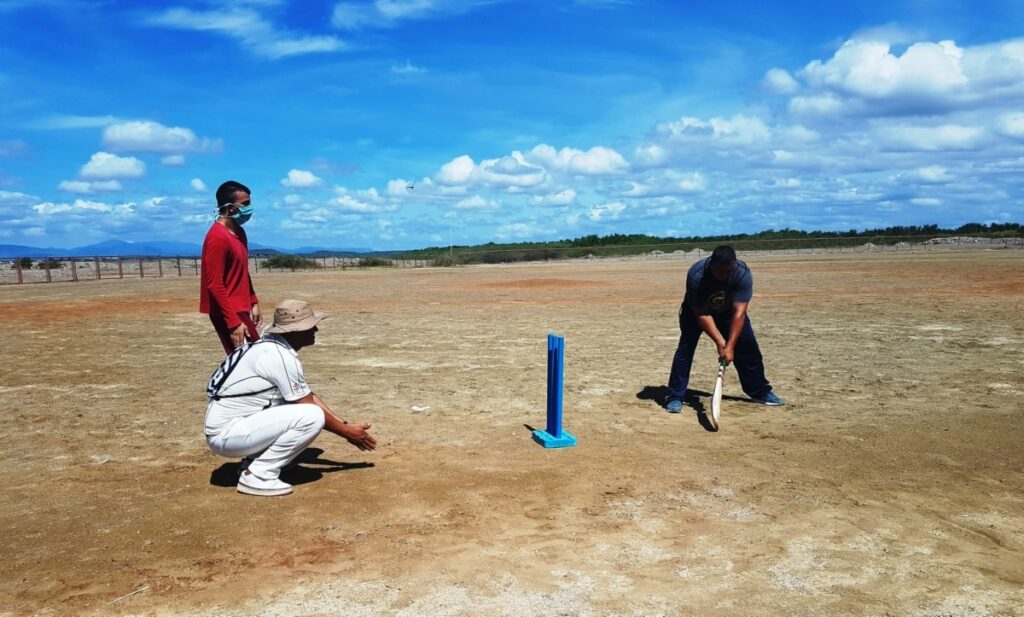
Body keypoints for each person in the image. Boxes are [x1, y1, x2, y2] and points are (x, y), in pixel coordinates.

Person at [204, 299, 377, 496]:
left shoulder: (269, 347)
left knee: (301, 407)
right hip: (228, 435)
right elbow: (308, 407)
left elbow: (307, 395)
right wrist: (348, 433)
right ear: (295, 331)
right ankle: (258, 475)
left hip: (232, 429)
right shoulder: (279, 356)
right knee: (312, 417)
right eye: (311, 326)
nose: (315, 331)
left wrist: (345, 423)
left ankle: (254, 460)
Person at [665, 245, 784, 413]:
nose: (725, 275)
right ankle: (675, 396)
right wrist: (721, 343)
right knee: (686, 348)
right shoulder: (696, 275)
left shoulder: (742, 274)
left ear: (734, 264)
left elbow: (739, 312)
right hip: (695, 313)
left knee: (748, 346)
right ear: (711, 264)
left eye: (728, 271)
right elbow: (702, 314)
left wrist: (730, 346)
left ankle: (760, 391)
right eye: (720, 271)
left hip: (729, 313)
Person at [200, 180, 261, 354]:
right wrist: (233, 322)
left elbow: (242, 272)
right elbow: (214, 284)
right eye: (245, 204)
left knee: (255, 358)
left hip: (242, 308)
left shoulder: (239, 232)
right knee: (246, 364)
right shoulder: (217, 237)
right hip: (228, 312)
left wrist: (253, 301)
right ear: (230, 208)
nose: (249, 209)